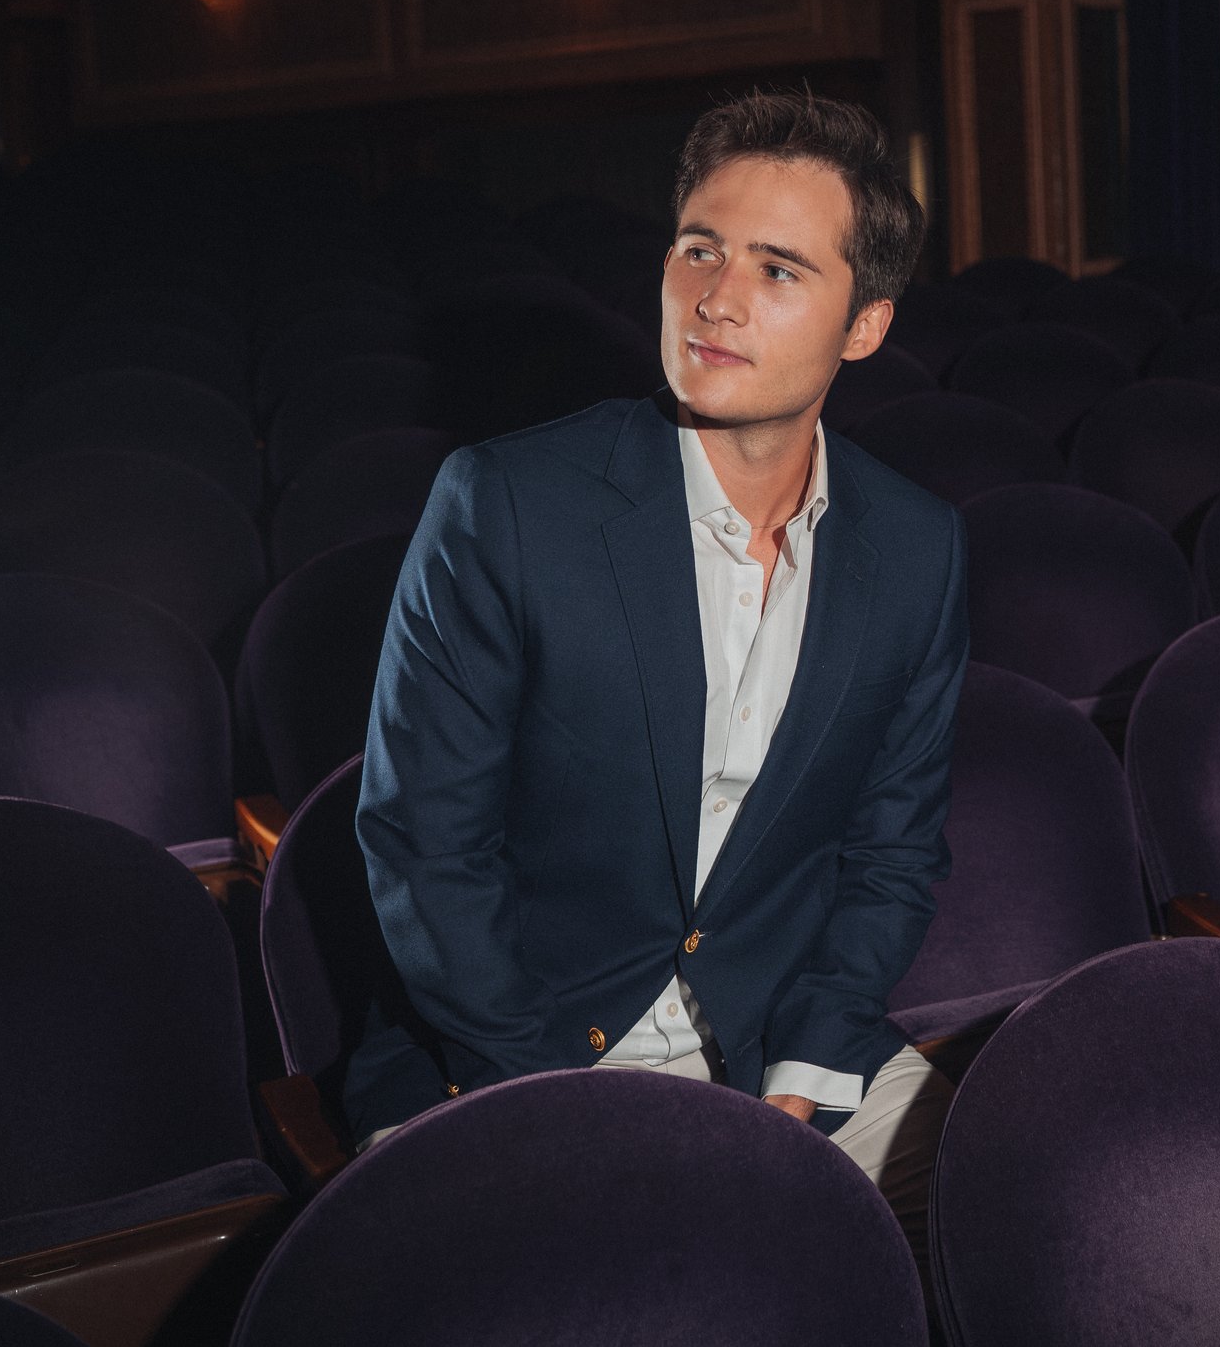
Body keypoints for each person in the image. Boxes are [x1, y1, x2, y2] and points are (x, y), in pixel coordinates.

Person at [347, 91, 964, 1241]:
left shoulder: (918, 547)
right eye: (698, 249)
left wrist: (802, 1078)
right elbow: (425, 848)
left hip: (779, 1042)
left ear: (864, 324)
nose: (716, 297)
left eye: (778, 269)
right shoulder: (505, 506)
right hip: (516, 1049)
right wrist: (551, 1098)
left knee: (1019, 1196)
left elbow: (891, 857)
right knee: (604, 1284)